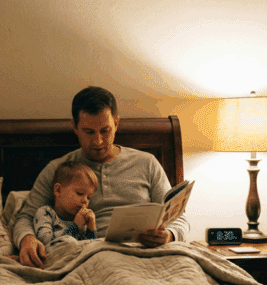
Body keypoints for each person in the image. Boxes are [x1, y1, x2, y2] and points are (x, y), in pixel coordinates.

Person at [13, 86, 190, 268]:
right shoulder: (58, 169)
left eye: (105, 131)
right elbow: (26, 216)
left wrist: (169, 235)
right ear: (74, 127)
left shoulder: (147, 163)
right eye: (89, 132)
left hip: (146, 255)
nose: (98, 141)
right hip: (88, 257)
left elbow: (179, 218)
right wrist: (27, 239)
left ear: (116, 123)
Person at [33, 161, 98, 248]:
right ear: (58, 190)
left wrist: (91, 229)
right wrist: (75, 226)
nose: (85, 201)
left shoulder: (80, 218)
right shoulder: (46, 213)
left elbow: (88, 247)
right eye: (80, 193)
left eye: (89, 197)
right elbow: (47, 242)